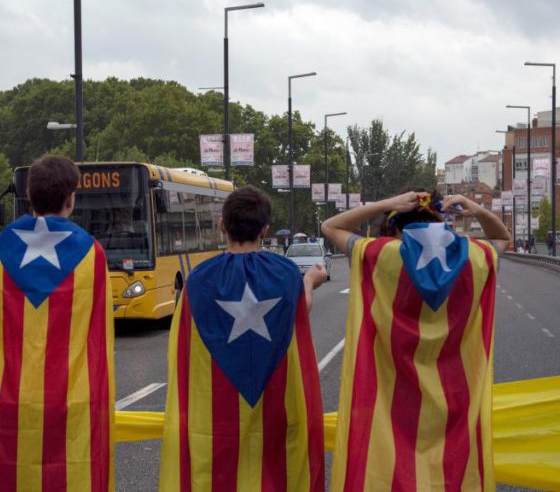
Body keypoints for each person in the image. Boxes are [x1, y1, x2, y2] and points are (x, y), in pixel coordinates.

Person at [321, 190, 509, 492]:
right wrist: (478, 211)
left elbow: (330, 226)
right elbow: (503, 240)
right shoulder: (474, 257)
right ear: (440, 225)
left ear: (395, 228)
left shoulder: (379, 254)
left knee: (393, 473)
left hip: (392, 408)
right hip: (455, 403)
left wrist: (387, 202)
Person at [159, 186, 327, 492]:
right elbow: (299, 311)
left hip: (217, 417)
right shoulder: (287, 273)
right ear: (264, 229)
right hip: (275, 412)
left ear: (223, 226)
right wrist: (310, 282)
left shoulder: (198, 279)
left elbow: (187, 348)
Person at [0, 155, 115, 492]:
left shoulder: (0, 250)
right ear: (71, 199)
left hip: (11, 396)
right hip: (73, 398)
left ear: (28, 196)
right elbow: (99, 334)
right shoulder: (91, 253)